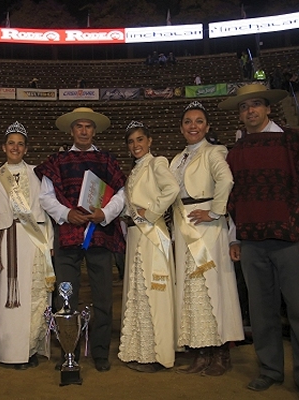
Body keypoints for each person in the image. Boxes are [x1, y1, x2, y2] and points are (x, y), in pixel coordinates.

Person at [220, 84, 299, 400]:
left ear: (268, 108)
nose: (250, 111)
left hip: (291, 241)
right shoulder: (236, 151)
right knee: (261, 314)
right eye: (244, 107)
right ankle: (270, 370)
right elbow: (233, 200)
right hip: (252, 243)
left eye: (256, 105)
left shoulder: (293, 140)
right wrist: (235, 237)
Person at [35, 107, 126, 372]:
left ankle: (100, 352)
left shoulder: (107, 160)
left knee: (103, 297)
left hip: (100, 236)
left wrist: (105, 213)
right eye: (79, 127)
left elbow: (121, 194)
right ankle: (68, 351)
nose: (84, 131)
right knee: (66, 298)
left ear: (94, 131)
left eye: (88, 127)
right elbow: (45, 197)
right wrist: (66, 214)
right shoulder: (58, 161)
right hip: (68, 236)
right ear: (71, 130)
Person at [169, 102, 244, 376]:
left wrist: (215, 211)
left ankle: (221, 352)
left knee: (213, 286)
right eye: (188, 121)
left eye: (199, 121)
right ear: (181, 128)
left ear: (207, 127)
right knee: (191, 291)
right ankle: (200, 351)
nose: (193, 126)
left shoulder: (215, 152)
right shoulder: (176, 159)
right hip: (183, 225)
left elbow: (226, 181)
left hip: (208, 228)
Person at [0, 121, 55, 369]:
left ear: (26, 148)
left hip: (35, 239)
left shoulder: (38, 174)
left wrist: (49, 244)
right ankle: (9, 352)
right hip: (9, 242)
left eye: (20, 144)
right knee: (10, 299)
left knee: (35, 296)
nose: (15, 148)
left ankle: (30, 349)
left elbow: (46, 213)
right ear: (4, 147)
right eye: (11, 143)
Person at [117, 121, 179, 373]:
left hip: (152, 234)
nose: (136, 145)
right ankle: (141, 349)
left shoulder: (157, 162)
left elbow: (172, 189)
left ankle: (160, 353)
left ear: (150, 141)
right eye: (131, 142)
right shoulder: (133, 171)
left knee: (155, 291)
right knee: (139, 290)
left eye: (140, 140)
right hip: (135, 235)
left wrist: (151, 213)